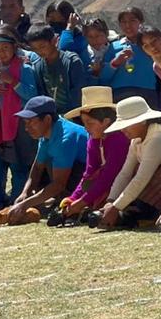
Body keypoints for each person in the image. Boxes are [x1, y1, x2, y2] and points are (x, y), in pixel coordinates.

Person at [0, 26, 39, 211]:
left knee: (18, 164)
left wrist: (14, 81)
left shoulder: (24, 68)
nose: (1, 53)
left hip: (18, 125)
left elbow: (32, 95)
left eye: (5, 48)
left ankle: (17, 202)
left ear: (14, 47)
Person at [96, 96, 161, 229]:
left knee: (147, 173)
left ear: (142, 121)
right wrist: (110, 202)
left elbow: (141, 178)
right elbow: (125, 173)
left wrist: (115, 207)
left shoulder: (159, 137)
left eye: (127, 125)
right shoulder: (136, 140)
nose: (123, 130)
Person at [55, 88, 131, 224]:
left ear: (106, 121)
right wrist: (72, 199)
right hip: (108, 185)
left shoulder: (118, 138)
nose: (86, 128)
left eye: (90, 123)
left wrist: (81, 203)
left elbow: (109, 176)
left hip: (125, 183)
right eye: (84, 123)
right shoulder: (93, 140)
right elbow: (89, 174)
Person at [9, 95, 88, 215]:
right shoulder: (46, 135)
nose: (26, 128)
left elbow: (58, 184)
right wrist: (25, 193)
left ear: (47, 119)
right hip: (74, 175)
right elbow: (37, 168)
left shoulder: (64, 138)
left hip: (91, 177)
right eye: (25, 123)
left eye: (31, 122)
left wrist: (24, 205)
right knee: (49, 161)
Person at [25, 23, 86, 115]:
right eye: (35, 49)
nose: (39, 51)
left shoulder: (71, 62)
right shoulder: (38, 66)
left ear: (54, 41)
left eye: (42, 46)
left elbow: (78, 93)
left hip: (73, 115)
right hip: (52, 116)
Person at [113, 7, 161, 107]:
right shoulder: (113, 47)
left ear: (141, 22)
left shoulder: (151, 46)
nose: (128, 25)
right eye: (123, 22)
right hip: (121, 95)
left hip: (148, 94)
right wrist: (115, 63)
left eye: (132, 21)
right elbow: (103, 77)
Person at [82, 19, 120, 89]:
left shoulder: (116, 51)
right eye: (90, 37)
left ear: (106, 34)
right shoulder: (84, 56)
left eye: (98, 36)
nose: (94, 40)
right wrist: (95, 73)